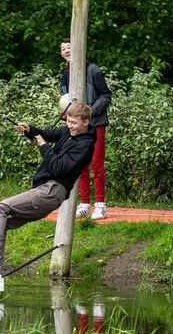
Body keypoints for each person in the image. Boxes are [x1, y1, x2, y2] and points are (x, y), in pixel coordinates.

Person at [0, 102, 96, 292]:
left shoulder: (85, 146)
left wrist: (44, 147)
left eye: (74, 123)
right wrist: (29, 130)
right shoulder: (68, 132)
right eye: (68, 121)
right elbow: (46, 134)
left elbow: (58, 168)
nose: (70, 126)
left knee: (1, 208)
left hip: (53, 190)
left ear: (85, 122)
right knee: (3, 221)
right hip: (46, 190)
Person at [59, 38, 112, 220]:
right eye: (63, 49)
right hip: (76, 127)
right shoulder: (64, 74)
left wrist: (89, 113)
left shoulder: (93, 70)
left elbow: (106, 96)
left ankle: (100, 204)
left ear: (78, 49)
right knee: (80, 164)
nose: (66, 51)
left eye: (70, 47)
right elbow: (65, 99)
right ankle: (84, 204)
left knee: (96, 163)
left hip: (95, 123)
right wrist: (65, 113)